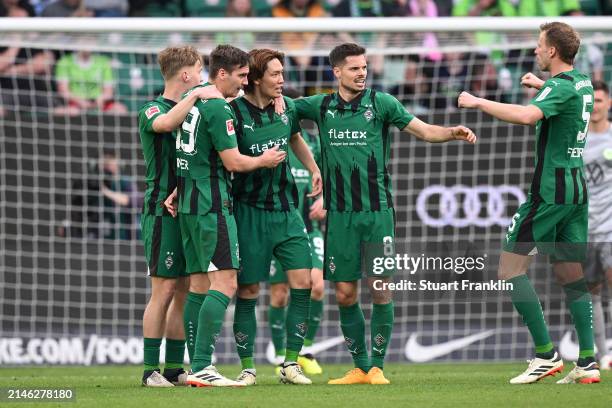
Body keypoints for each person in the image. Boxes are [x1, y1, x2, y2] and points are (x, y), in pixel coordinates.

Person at [294, 43, 476, 385]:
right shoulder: (320, 106)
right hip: (341, 217)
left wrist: (451, 132)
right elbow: (282, 110)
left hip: (378, 215)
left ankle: (376, 366)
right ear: (337, 72)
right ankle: (360, 367)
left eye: (364, 67)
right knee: (345, 293)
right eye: (354, 68)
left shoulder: (382, 104)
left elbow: (423, 130)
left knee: (380, 288)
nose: (362, 73)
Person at [458, 21, 599, 384]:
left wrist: (477, 101)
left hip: (549, 191)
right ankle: (587, 361)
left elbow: (527, 116)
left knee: (509, 268)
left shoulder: (560, 87)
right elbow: (566, 101)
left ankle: (545, 355)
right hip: (575, 189)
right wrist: (542, 86)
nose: (535, 51)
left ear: (552, 51)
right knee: (570, 273)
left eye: (539, 45)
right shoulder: (582, 82)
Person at [170, 44, 286, 387]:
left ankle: (196, 366)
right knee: (227, 282)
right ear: (222, 73)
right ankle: (204, 364)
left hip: (189, 202)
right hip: (212, 205)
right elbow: (234, 162)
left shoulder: (193, 100)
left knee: (198, 285)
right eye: (241, 75)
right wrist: (264, 161)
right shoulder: (219, 109)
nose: (245, 81)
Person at [228, 49, 321, 386]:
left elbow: (295, 136)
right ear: (254, 78)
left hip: (286, 212)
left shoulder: (287, 109)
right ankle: (248, 367)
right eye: (275, 75)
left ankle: (291, 363)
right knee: (249, 289)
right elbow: (225, 158)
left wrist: (313, 168)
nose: (282, 80)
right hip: (248, 212)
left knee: (304, 283)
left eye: (283, 73)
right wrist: (258, 161)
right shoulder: (233, 112)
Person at [137, 45, 223, 387]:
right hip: (160, 210)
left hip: (189, 206)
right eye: (200, 72)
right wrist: (198, 94)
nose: (202, 79)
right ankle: (149, 371)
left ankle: (173, 368)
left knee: (186, 288)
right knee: (164, 288)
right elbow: (165, 123)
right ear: (186, 75)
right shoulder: (151, 109)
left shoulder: (197, 109)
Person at [268, 90, 326, 377]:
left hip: (309, 227)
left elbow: (331, 176)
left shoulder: (312, 143)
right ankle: (280, 355)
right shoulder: (269, 139)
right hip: (275, 224)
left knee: (316, 285)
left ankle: (306, 349)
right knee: (278, 294)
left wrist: (325, 199)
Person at [582, 79, 612, 370]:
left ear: (609, 103)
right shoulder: (576, 140)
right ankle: (603, 356)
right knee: (592, 293)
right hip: (584, 230)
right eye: (592, 102)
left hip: (611, 228)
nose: (596, 106)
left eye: (600, 101)